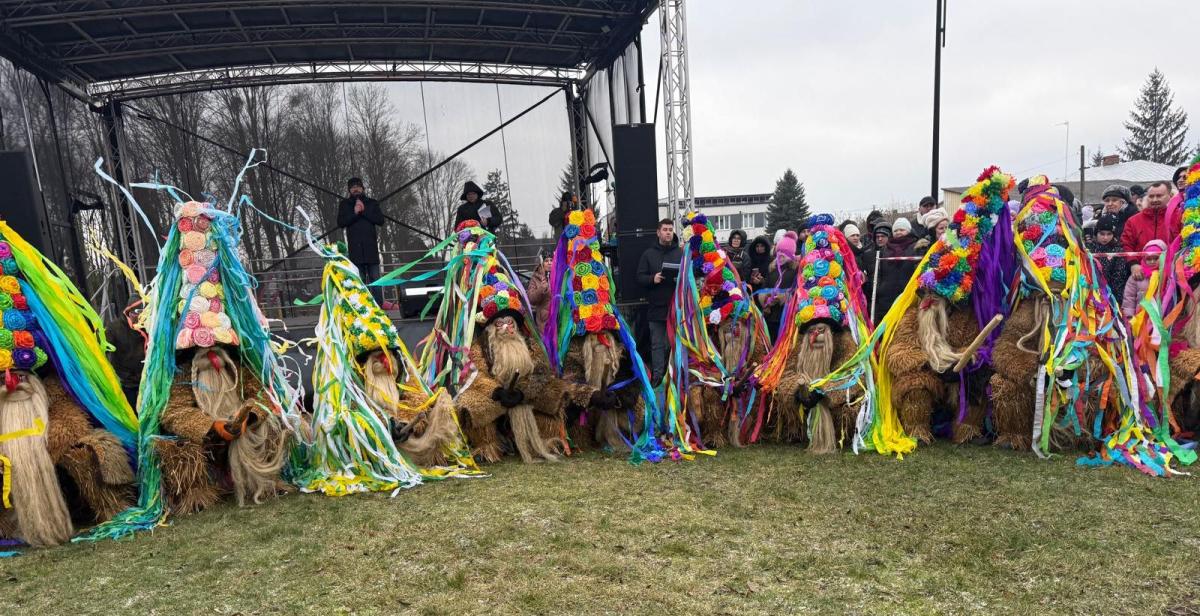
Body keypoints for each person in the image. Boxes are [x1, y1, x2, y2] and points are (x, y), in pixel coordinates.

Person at [636, 219, 683, 385]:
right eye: (665, 229)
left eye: (671, 229)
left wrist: (680, 279)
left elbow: (689, 276)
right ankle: (657, 378)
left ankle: (675, 377)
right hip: (656, 308)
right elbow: (639, 277)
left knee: (675, 344)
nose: (668, 232)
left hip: (676, 308)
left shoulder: (680, 253)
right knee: (657, 345)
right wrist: (652, 278)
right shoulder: (649, 254)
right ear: (658, 232)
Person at [337, 177, 386, 305]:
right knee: (359, 282)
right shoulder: (344, 205)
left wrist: (363, 212)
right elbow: (341, 223)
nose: (356, 189)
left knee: (376, 281)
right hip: (355, 252)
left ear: (363, 188)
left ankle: (379, 308)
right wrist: (355, 213)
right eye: (353, 187)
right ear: (349, 190)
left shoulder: (372, 203)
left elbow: (380, 220)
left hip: (371, 250)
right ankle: (364, 310)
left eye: (358, 186)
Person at [759, 231, 799, 341]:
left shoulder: (795, 270)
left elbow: (797, 290)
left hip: (786, 314)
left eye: (784, 253)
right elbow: (764, 286)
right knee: (771, 339)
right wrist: (766, 299)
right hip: (770, 314)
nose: (781, 255)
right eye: (779, 252)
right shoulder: (772, 269)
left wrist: (783, 297)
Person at [1121, 181, 1178, 253]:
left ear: (1170, 196)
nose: (1154, 200)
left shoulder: (1178, 217)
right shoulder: (1133, 221)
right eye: (1151, 196)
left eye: (1159, 196)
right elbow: (1126, 245)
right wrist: (1133, 263)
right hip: (1139, 263)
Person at [1122, 240, 1166, 318]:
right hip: (1140, 318)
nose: (1152, 261)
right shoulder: (1137, 275)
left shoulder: (1167, 275)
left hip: (1161, 319)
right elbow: (1129, 297)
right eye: (1149, 259)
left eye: (1156, 258)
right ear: (1144, 258)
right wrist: (1129, 316)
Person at [1089, 214, 1129, 297]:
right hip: (1091, 291)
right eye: (1102, 234)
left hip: (1111, 294)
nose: (1105, 238)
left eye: (1109, 234)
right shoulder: (1089, 249)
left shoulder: (1118, 251)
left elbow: (1118, 277)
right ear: (1096, 233)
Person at [526, 252, 554, 327]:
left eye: (551, 260)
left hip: (559, 317)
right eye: (546, 261)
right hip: (544, 319)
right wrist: (541, 288)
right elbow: (531, 299)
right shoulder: (535, 278)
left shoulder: (560, 276)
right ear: (541, 263)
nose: (549, 263)